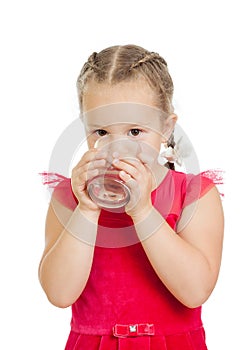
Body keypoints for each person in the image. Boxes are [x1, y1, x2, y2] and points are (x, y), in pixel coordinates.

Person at [39, 44, 224, 349]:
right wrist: (86, 208)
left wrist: (142, 211)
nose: (117, 147)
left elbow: (195, 291)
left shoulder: (193, 195)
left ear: (165, 128)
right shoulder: (71, 197)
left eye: (135, 132)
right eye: (101, 132)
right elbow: (59, 294)